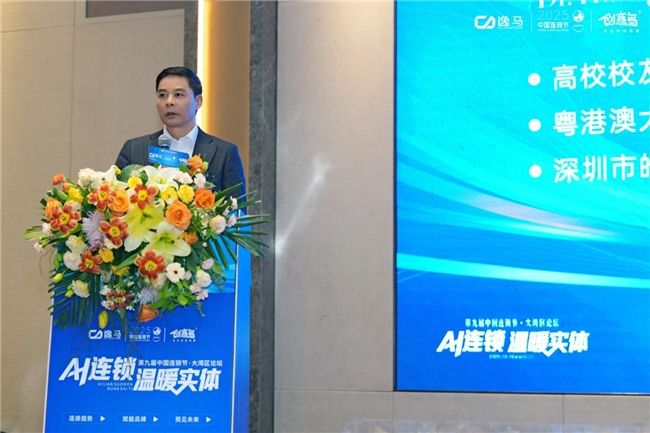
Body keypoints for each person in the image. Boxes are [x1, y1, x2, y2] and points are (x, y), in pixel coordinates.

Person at [115, 66, 245, 197]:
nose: (169, 102)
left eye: (178, 95)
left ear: (198, 102)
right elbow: (115, 201)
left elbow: (237, 207)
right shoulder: (134, 150)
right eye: (162, 95)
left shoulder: (224, 153)